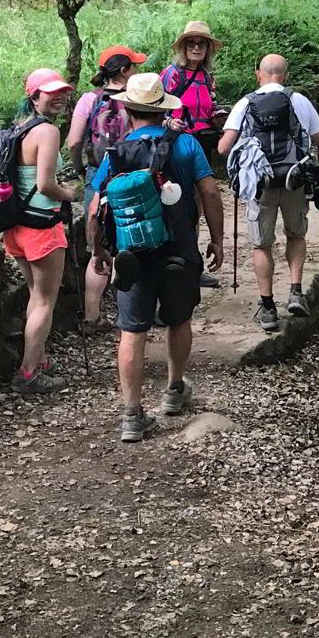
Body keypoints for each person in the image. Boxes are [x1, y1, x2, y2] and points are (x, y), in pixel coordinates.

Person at [88, 73, 224, 442]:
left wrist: (98, 250)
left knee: (132, 330)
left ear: (129, 110)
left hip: (131, 255)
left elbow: (95, 207)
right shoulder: (186, 145)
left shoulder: (116, 153)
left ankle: (132, 415)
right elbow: (210, 193)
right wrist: (217, 240)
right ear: (161, 108)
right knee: (179, 320)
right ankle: (174, 391)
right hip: (179, 249)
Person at [218, 54, 319, 333]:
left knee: (261, 245)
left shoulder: (245, 103)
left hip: (260, 184)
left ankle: (268, 308)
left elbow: (223, 148)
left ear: (259, 74)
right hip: (295, 180)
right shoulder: (299, 101)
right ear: (286, 74)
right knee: (296, 235)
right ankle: (295, 292)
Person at [4, 69, 80, 395]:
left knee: (36, 296)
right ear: (34, 95)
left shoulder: (18, 128)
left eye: (63, 91)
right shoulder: (47, 132)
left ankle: (40, 359)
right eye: (51, 92)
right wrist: (70, 194)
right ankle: (28, 372)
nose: (60, 96)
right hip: (41, 227)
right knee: (45, 300)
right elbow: (46, 184)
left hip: (14, 225)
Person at [65, 45, 147, 326]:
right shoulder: (136, 98)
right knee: (134, 245)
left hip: (97, 175)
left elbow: (74, 141)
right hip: (132, 177)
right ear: (124, 71)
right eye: (134, 66)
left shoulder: (89, 99)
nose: (136, 70)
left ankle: (92, 316)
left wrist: (80, 167)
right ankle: (135, 312)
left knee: (97, 249)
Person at [162, 21, 223, 287]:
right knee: (178, 204)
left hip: (202, 144)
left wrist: (218, 116)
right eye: (191, 43)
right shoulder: (172, 74)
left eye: (201, 43)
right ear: (183, 47)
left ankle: (193, 265)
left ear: (208, 48)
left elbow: (208, 107)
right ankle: (177, 264)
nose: (196, 47)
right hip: (178, 146)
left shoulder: (206, 77)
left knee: (197, 205)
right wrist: (168, 123)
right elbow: (154, 107)